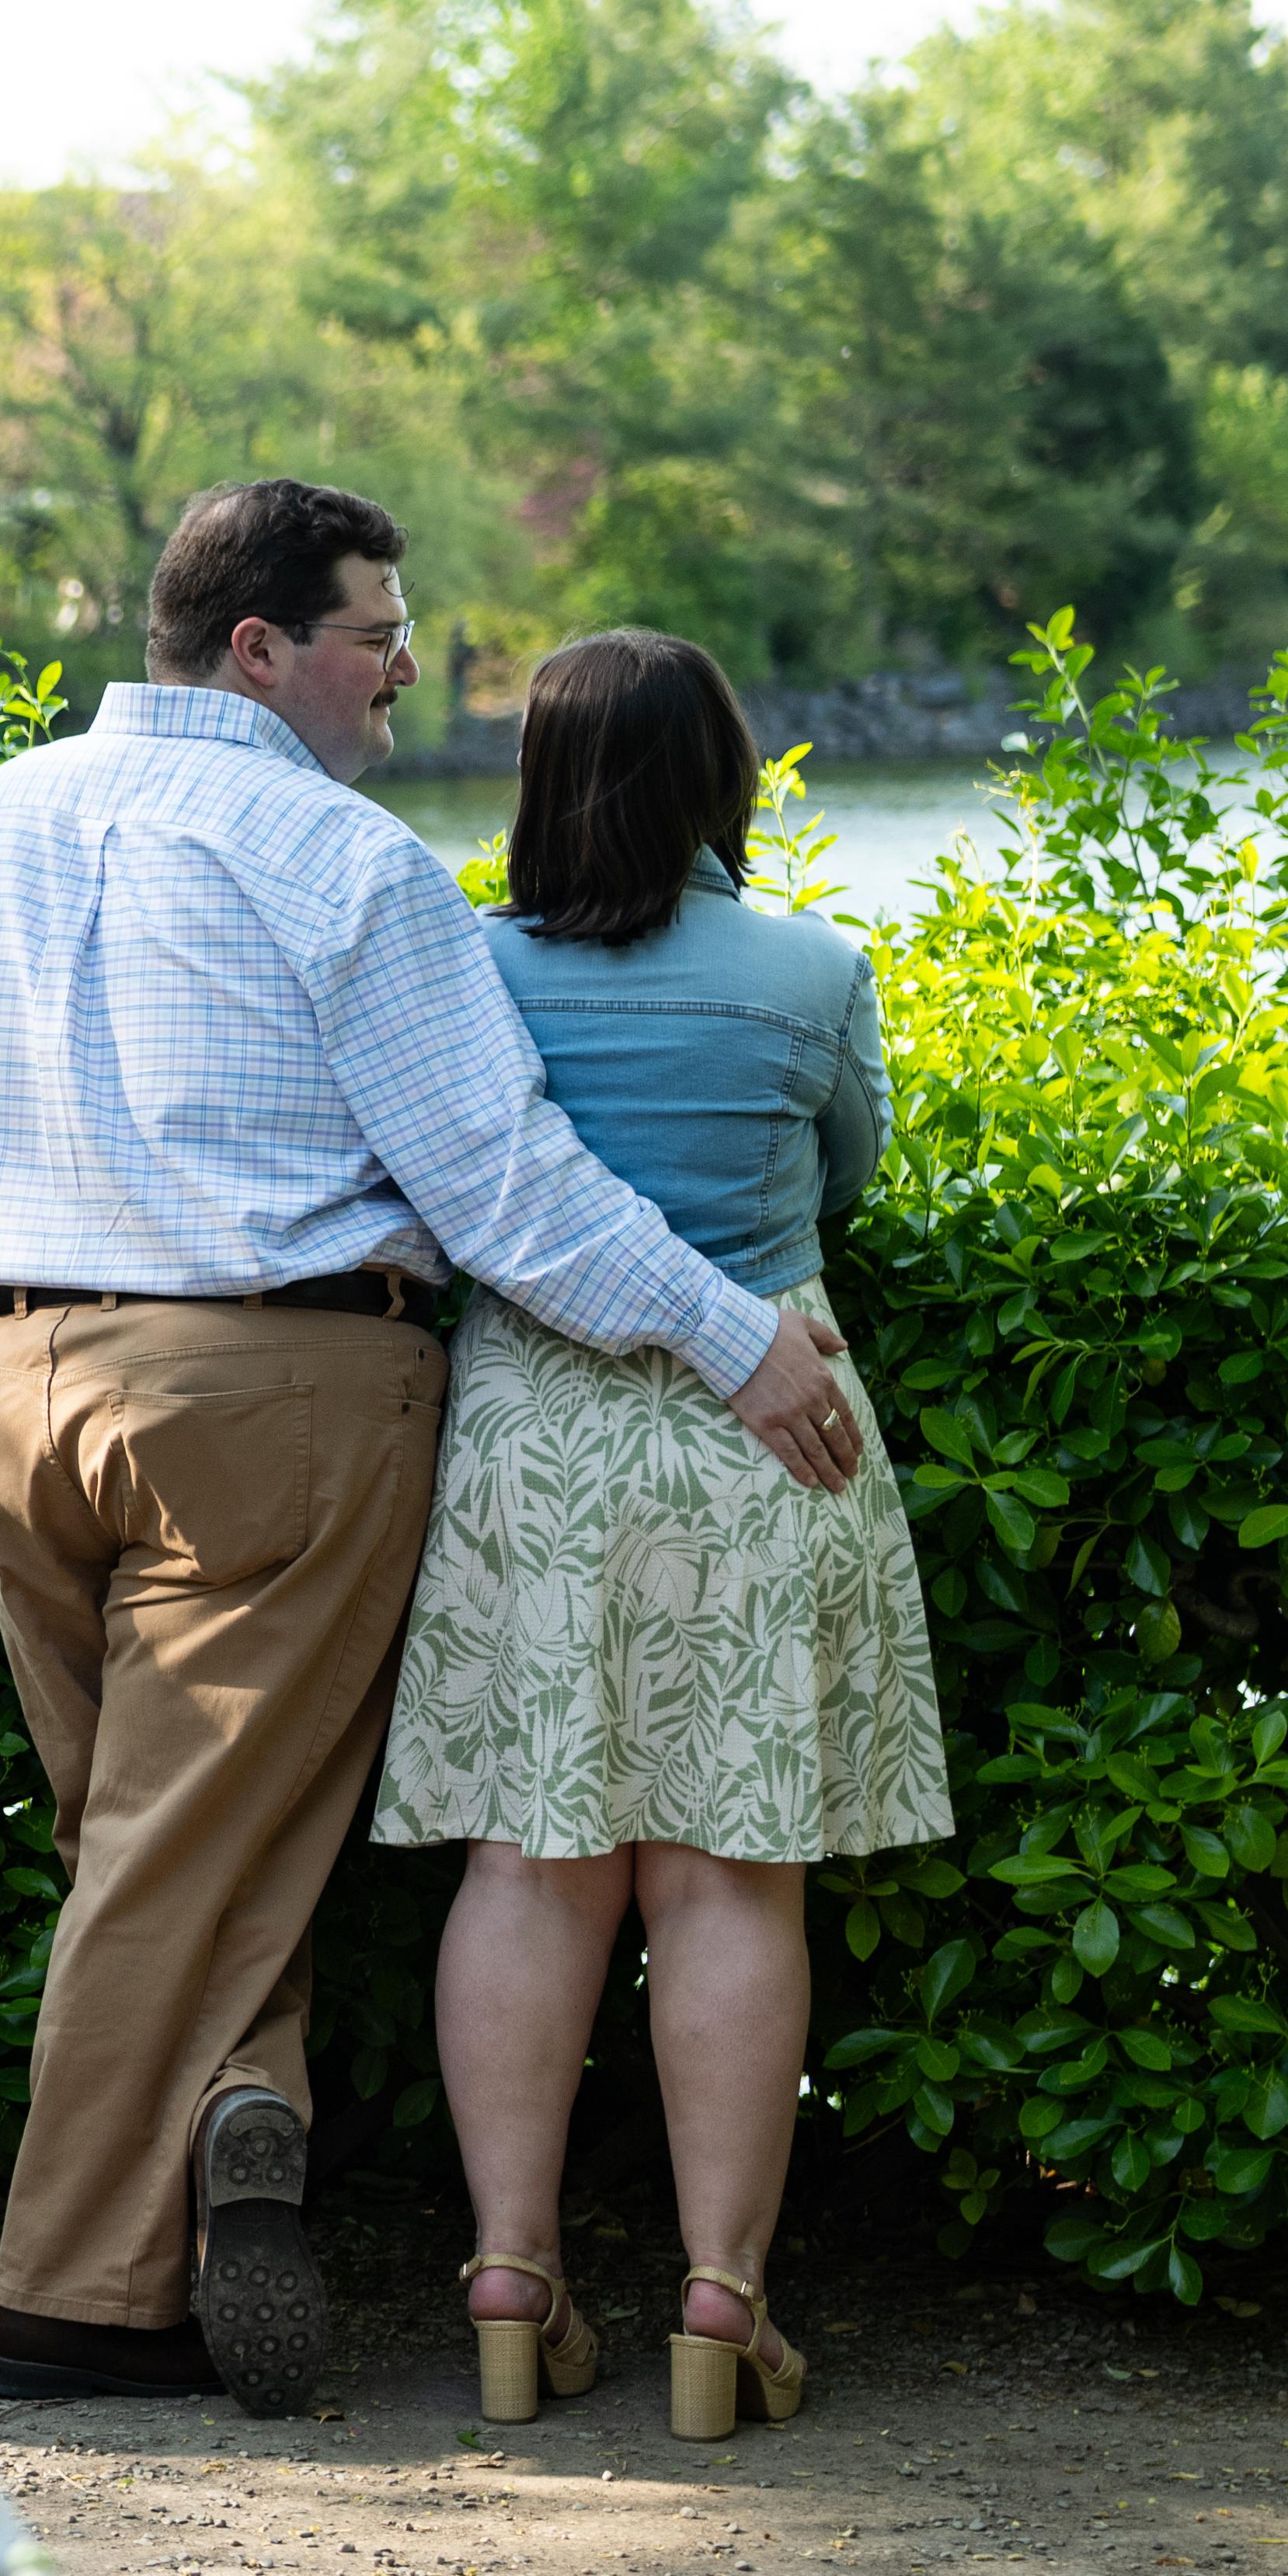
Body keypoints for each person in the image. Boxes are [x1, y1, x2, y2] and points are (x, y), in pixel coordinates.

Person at [0, 479, 870, 2416]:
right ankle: (70, 2308)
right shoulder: (338, 857)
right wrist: (733, 1337)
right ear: (257, 645)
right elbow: (504, 1187)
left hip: (14, 1377)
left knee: (148, 1835)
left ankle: (239, 2104)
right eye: (376, 630)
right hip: (258, 1391)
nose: (408, 667)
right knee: (176, 1848)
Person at [372, 630, 951, 2439]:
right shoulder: (811, 969)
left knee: (525, 1859)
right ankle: (719, 2298)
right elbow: (846, 1173)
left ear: (536, 782)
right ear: (721, 781)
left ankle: (508, 2273)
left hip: (531, 1438)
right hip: (766, 1417)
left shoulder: (465, 971)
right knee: (729, 1868)